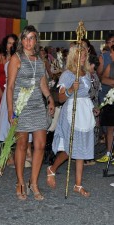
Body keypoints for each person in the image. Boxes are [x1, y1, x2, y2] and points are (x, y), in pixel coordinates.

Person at [7, 25, 55, 201]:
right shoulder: (16, 58)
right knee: (21, 145)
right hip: (21, 106)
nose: (28, 42)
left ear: (36, 41)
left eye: (32, 38)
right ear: (22, 41)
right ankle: (20, 182)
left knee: (40, 145)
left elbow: (42, 84)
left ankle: (33, 182)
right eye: (25, 38)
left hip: (37, 105)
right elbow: (10, 86)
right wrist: (11, 111)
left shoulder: (40, 60)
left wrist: (49, 98)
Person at [46, 44, 97, 197]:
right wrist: (70, 90)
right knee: (71, 147)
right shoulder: (68, 74)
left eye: (84, 55)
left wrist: (93, 107)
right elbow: (61, 98)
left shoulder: (86, 73)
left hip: (84, 112)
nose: (83, 57)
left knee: (80, 149)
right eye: (79, 54)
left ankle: (78, 184)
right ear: (73, 56)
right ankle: (52, 169)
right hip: (71, 111)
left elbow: (87, 94)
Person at [96, 33, 114, 163]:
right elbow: (103, 79)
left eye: (113, 53)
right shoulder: (110, 66)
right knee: (109, 127)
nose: (111, 55)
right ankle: (109, 152)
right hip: (110, 98)